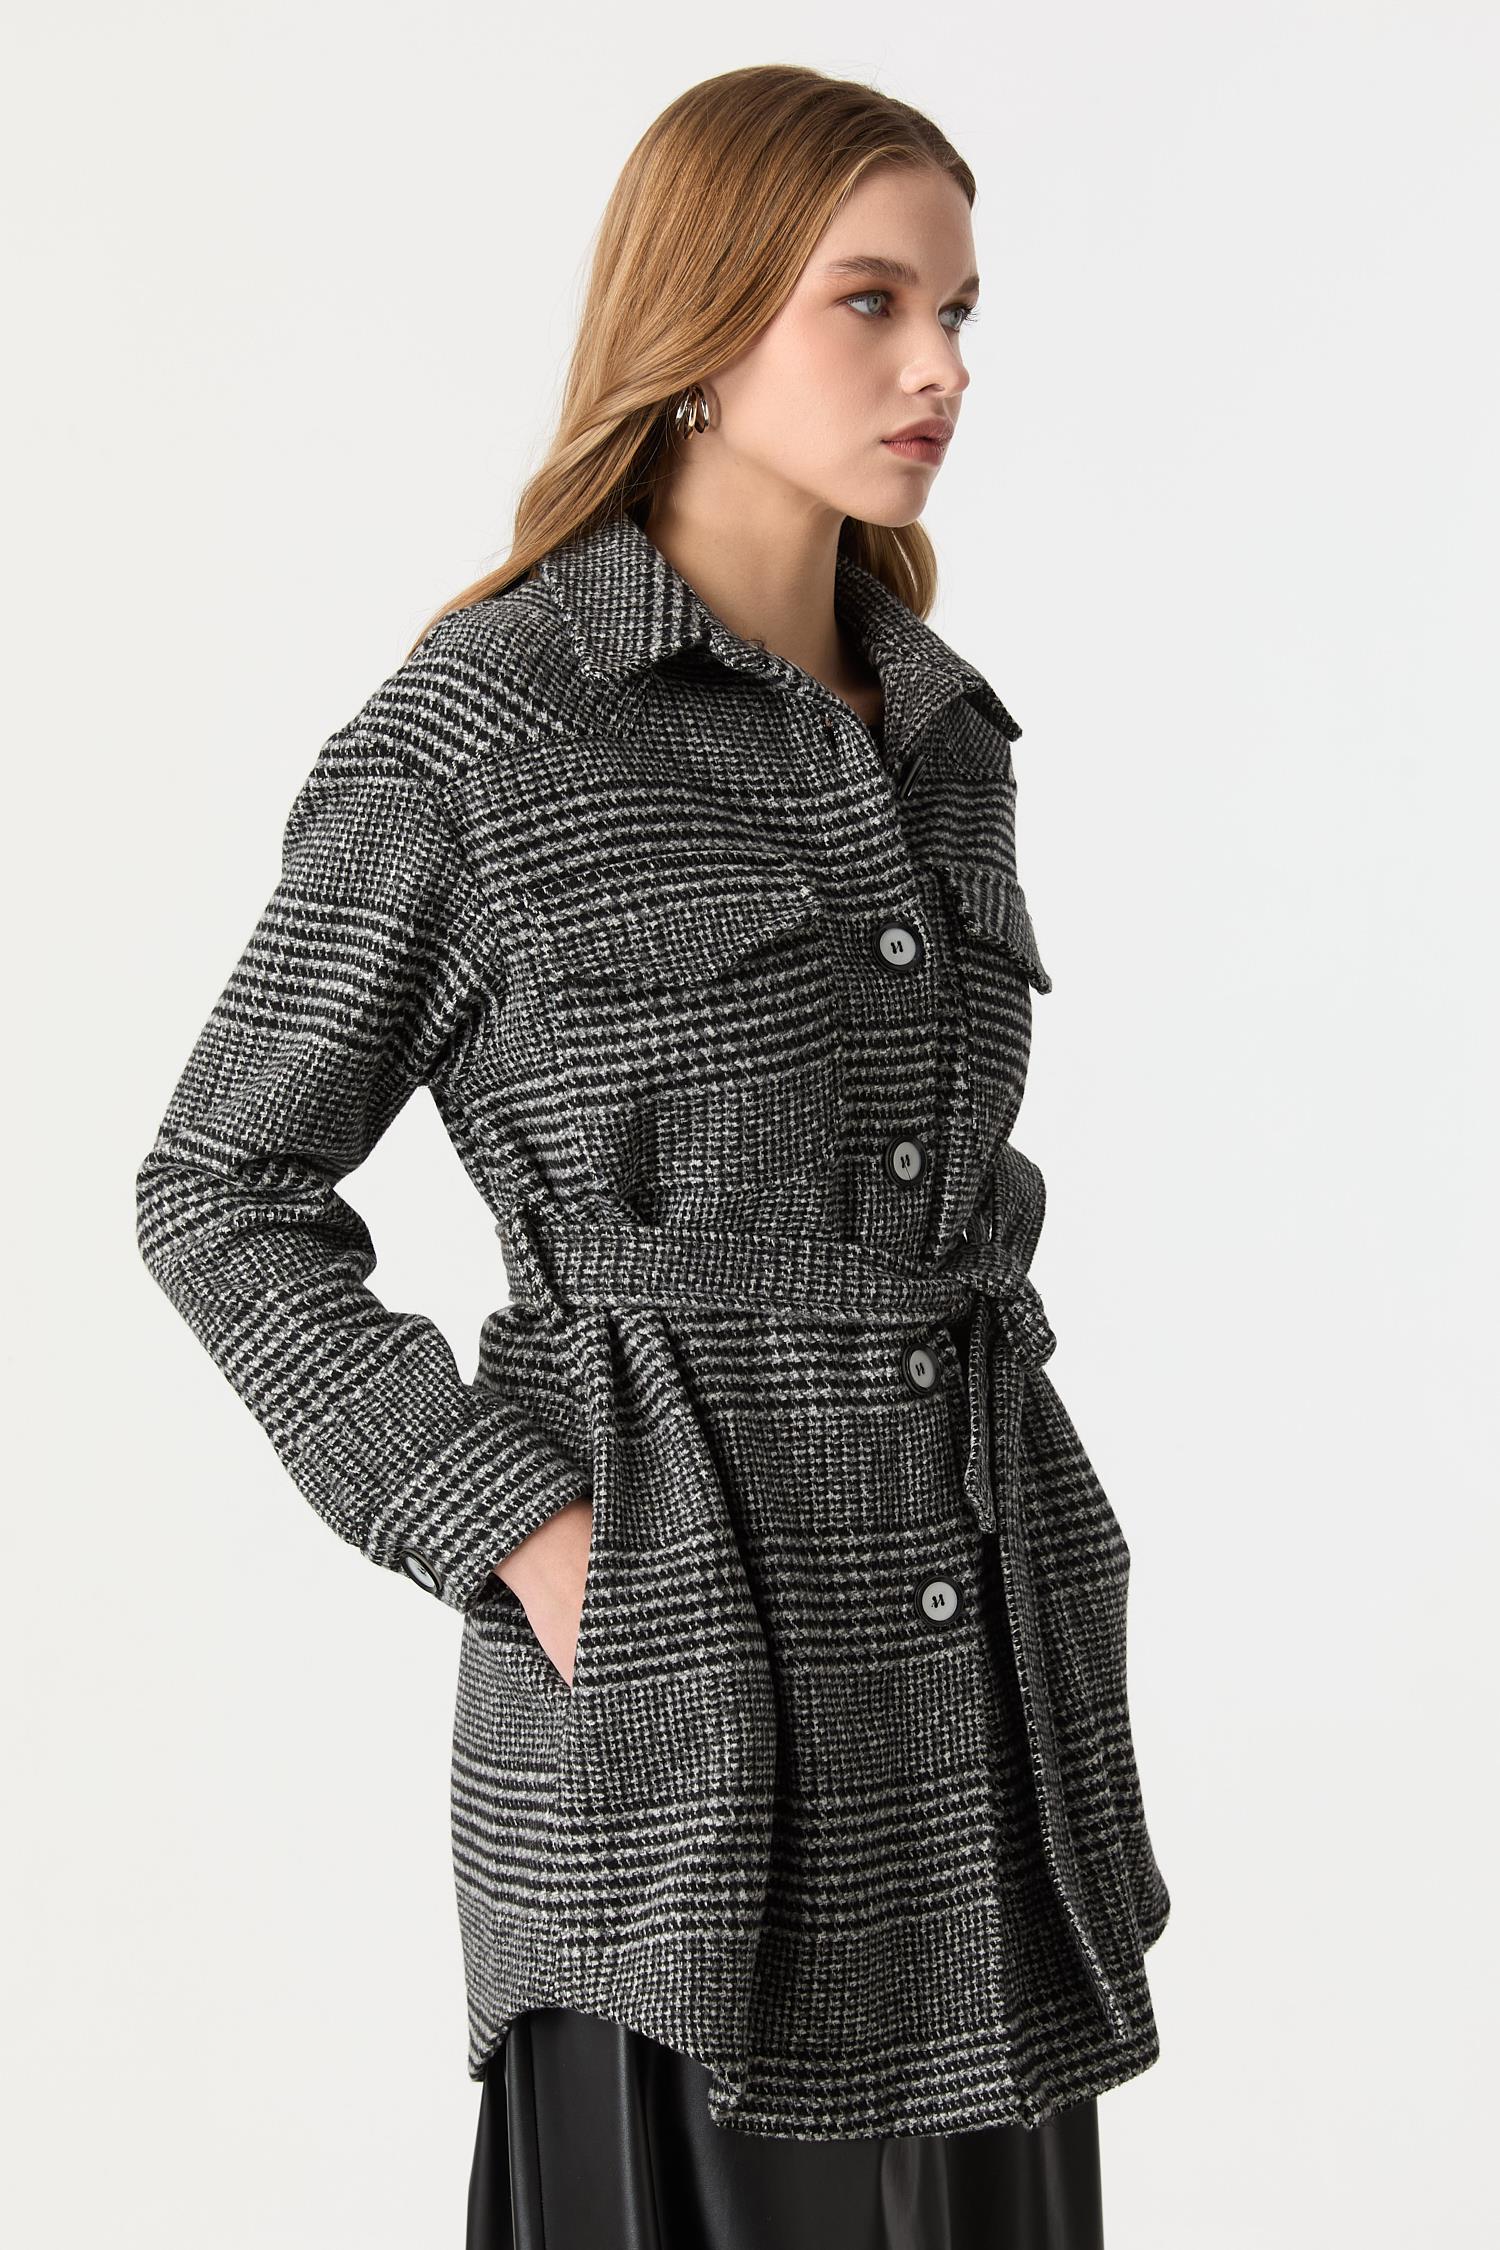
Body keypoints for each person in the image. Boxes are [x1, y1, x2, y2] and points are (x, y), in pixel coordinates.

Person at [136, 62, 1170, 2250]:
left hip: (979, 1704)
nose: (941, 367)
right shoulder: (488, 727)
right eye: (870, 303)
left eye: (960, 310)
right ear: (699, 325)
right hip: (686, 1734)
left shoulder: (945, 732)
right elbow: (219, 1187)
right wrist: (523, 1533)